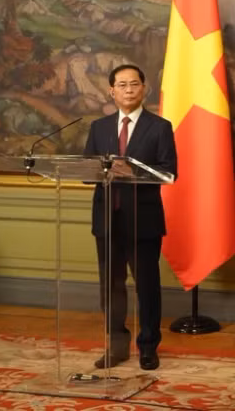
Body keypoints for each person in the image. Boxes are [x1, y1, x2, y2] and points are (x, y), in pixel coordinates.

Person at [83, 63, 178, 371]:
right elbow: (87, 171)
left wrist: (132, 171)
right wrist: (102, 170)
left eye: (133, 84)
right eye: (121, 85)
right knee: (110, 287)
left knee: (147, 287)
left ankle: (148, 347)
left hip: (144, 220)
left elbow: (168, 172)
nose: (128, 90)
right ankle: (117, 346)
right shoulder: (98, 128)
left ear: (144, 88)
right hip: (107, 219)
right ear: (111, 91)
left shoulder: (160, 127)